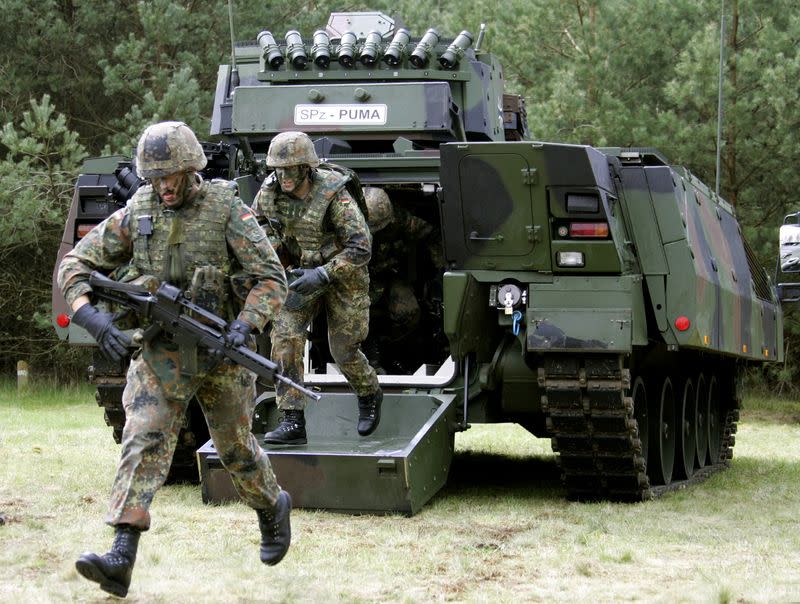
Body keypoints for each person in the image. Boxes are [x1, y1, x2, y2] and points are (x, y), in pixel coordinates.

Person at [58, 121, 291, 598]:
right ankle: (121, 555)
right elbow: (75, 264)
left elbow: (271, 277)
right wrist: (92, 320)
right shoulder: (138, 210)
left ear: (191, 169)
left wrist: (246, 324)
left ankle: (271, 508)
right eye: (155, 177)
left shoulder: (227, 208)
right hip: (161, 352)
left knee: (235, 451)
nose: (164, 186)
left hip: (221, 350)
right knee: (143, 437)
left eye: (172, 176)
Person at [253, 131, 382, 445]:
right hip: (301, 274)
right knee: (284, 337)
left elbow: (361, 247)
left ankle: (369, 393)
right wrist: (281, 261)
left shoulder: (334, 195)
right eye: (277, 169)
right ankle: (292, 419)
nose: (282, 176)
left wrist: (324, 274)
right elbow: (258, 228)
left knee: (343, 349)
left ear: (305, 168)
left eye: (290, 169)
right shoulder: (269, 193)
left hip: (343, 275)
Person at [361, 187, 443, 373]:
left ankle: (390, 350)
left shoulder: (399, 220)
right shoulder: (343, 224)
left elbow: (432, 235)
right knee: (354, 319)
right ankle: (368, 356)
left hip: (387, 275)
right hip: (353, 277)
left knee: (410, 312)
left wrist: (442, 272)